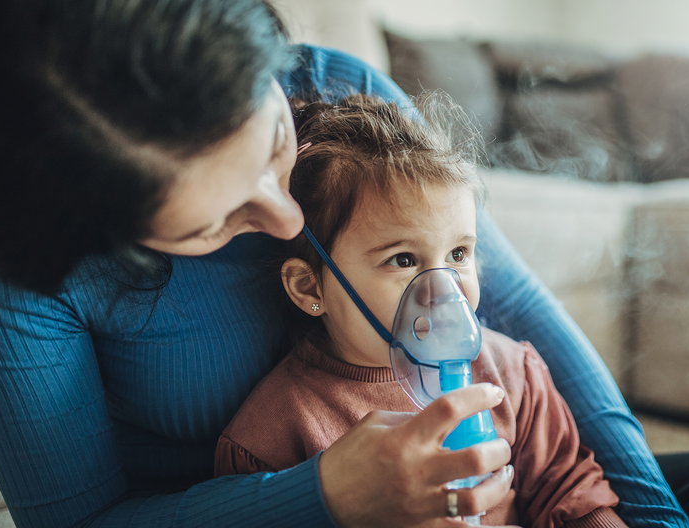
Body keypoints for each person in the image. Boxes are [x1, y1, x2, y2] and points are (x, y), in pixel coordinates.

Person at [0, 1, 689, 527]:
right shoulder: (23, 267)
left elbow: (519, 314)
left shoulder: (337, 94)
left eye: (277, 144)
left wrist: (654, 520)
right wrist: (327, 496)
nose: (285, 218)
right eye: (212, 224)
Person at [214, 94, 628, 528]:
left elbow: (571, 492)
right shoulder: (274, 432)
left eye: (458, 253)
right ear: (308, 286)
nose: (440, 289)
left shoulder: (510, 373)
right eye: (403, 260)